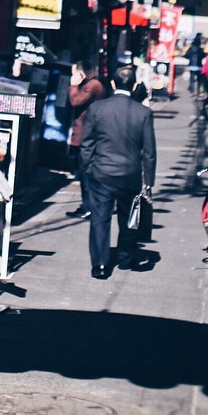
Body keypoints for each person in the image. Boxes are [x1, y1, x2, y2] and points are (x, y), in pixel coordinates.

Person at [80, 67, 157, 279]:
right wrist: (148, 181)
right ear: (134, 86)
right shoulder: (144, 113)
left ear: (112, 85)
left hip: (101, 173)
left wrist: (88, 168)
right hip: (130, 175)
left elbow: (87, 143)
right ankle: (124, 258)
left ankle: (101, 265)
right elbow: (149, 152)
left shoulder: (97, 109)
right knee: (128, 219)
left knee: (100, 219)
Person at [66, 61, 105, 219]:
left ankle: (88, 206)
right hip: (84, 134)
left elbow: (75, 101)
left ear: (81, 73)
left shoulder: (92, 85)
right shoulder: (94, 84)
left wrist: (73, 86)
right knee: (83, 172)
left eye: (75, 72)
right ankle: (87, 205)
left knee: (85, 173)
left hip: (85, 136)